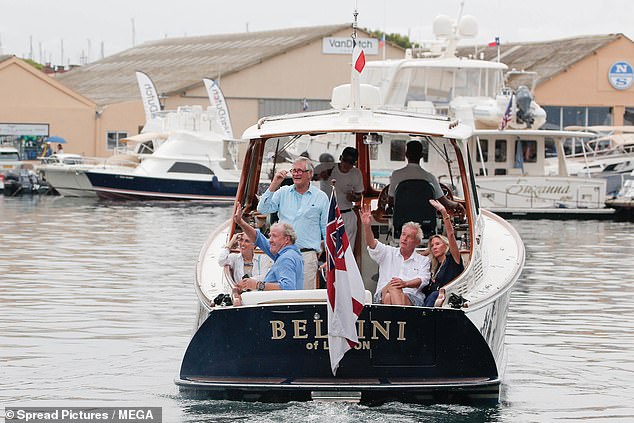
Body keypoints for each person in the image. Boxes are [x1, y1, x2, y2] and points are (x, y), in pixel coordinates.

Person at [257, 156, 329, 289]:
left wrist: (330, 259)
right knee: (281, 298)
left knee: (305, 299)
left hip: (307, 257)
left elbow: (327, 230)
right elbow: (262, 209)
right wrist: (274, 183)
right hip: (282, 255)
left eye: (300, 170)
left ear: (310, 174)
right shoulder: (282, 192)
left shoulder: (321, 197)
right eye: (294, 170)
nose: (296, 174)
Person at [360, 204, 430, 306]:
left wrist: (405, 284)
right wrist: (366, 226)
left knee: (391, 293)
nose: (404, 238)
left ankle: (392, 320)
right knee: (394, 286)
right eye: (403, 234)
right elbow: (371, 243)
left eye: (409, 237)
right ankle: (402, 319)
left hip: (411, 297)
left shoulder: (423, 260)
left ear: (417, 242)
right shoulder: (388, 252)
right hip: (382, 294)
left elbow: (423, 280)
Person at [233, 205, 303, 291]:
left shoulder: (286, 258)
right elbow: (259, 239)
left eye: (274, 236)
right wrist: (241, 222)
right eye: (270, 236)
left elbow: (288, 287)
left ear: (287, 239)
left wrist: (257, 285)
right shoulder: (287, 253)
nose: (270, 240)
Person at [388, 140, 460, 211]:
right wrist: (458, 205)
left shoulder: (396, 175)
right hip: (426, 222)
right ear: (421, 155)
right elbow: (445, 203)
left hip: (400, 221)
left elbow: (391, 201)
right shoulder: (430, 177)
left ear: (406, 155)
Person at [315, 147, 364, 251]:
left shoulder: (356, 173)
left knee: (347, 251)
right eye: (345, 160)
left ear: (354, 163)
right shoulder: (327, 169)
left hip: (347, 215)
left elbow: (359, 196)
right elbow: (308, 177)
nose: (347, 164)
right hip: (327, 215)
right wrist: (319, 176)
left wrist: (353, 197)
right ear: (341, 158)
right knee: (327, 250)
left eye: (351, 162)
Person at [419, 199, 465, 307]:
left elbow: (451, 235)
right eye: (432, 245)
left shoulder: (452, 259)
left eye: (438, 244)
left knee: (434, 295)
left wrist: (444, 212)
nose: (434, 247)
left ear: (445, 245)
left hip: (447, 298)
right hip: (429, 300)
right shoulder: (434, 265)